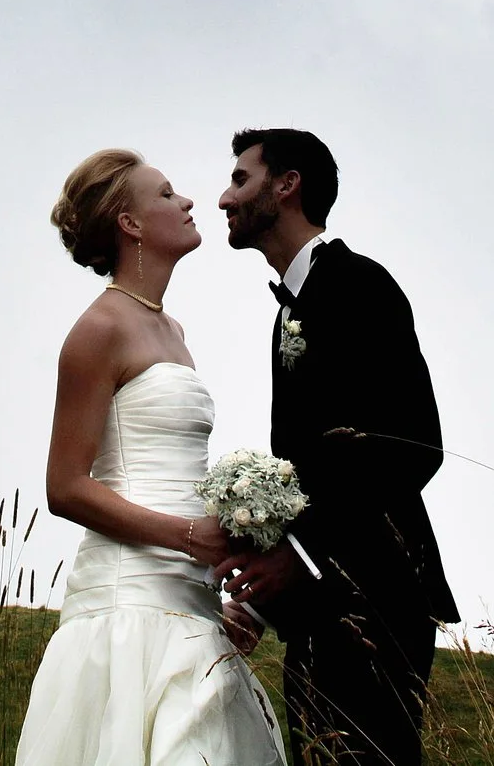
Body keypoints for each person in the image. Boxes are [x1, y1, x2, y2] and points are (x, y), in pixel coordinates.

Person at [15, 148, 289, 766]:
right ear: (129, 224)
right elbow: (65, 487)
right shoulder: (98, 329)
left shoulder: (173, 331)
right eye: (165, 194)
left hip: (189, 597)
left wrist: (216, 587)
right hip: (129, 602)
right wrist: (192, 537)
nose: (189, 200)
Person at [213, 129, 455, 766]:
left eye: (240, 180)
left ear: (287, 185)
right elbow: (310, 477)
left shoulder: (358, 283)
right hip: (324, 614)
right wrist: (263, 602)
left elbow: (415, 445)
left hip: (376, 605)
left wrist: (302, 556)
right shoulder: (287, 310)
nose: (222, 198)